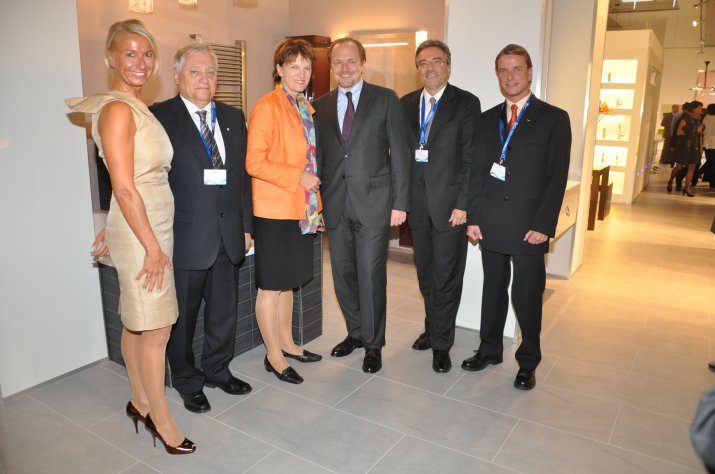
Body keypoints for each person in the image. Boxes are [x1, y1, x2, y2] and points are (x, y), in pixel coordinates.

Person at [67, 19, 195, 454]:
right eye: (130, 53)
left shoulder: (133, 105)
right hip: (146, 233)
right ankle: (161, 419)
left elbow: (124, 178)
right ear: (111, 57)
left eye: (147, 54)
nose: (141, 62)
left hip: (141, 223)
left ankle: (140, 400)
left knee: (137, 323)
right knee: (157, 329)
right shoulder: (119, 109)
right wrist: (151, 247)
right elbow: (123, 186)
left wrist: (114, 226)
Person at [150, 43, 253, 414]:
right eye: (195, 72)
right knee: (182, 319)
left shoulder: (233, 115)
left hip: (229, 234)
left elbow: (242, 177)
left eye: (210, 72)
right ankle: (187, 381)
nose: (204, 79)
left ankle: (217, 370)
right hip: (186, 237)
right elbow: (146, 179)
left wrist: (246, 224)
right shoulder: (159, 116)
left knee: (224, 312)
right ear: (177, 76)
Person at [463, 44, 571, 391]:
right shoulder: (486, 119)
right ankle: (489, 349)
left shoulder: (554, 118)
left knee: (526, 297)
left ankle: (528, 362)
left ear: (530, 73)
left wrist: (543, 225)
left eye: (517, 69)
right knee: (492, 291)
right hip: (491, 221)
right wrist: (474, 217)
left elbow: (556, 176)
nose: (510, 77)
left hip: (529, 226)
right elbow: (476, 173)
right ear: (497, 75)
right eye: (503, 70)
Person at [313, 37, 411, 374]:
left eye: (351, 61)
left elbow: (401, 153)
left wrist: (400, 203)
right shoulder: (321, 105)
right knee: (343, 275)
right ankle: (355, 333)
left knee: (370, 276)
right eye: (338, 62)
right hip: (336, 204)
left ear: (362, 63)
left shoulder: (385, 99)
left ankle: (373, 343)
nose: (345, 68)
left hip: (374, 204)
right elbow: (320, 158)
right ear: (331, 66)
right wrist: (317, 206)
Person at [399, 39, 481, 373]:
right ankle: (432, 328)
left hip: (450, 209)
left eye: (436, 61)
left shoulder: (466, 103)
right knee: (426, 276)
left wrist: (464, 204)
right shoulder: (405, 104)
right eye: (423, 62)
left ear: (448, 65)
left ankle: (442, 344)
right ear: (417, 69)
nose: (429, 68)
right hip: (417, 207)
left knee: (446, 278)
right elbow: (400, 157)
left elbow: (471, 159)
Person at [246, 38, 323, 385]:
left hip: (300, 208)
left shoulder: (304, 107)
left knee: (288, 283)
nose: (301, 74)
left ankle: (288, 344)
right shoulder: (267, 106)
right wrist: (298, 177)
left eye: (306, 68)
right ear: (279, 69)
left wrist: (313, 198)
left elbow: (310, 157)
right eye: (294, 67)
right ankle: (273, 356)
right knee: (271, 286)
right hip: (274, 210)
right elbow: (254, 162)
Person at [667, 100, 702, 197]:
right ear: (694, 109)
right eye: (699, 107)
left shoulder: (699, 119)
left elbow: (699, 135)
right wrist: (693, 131)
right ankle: (671, 181)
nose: (701, 109)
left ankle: (687, 188)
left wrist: (700, 146)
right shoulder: (685, 118)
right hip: (684, 145)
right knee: (679, 166)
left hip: (694, 145)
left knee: (692, 167)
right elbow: (678, 132)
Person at [700, 104, 715, 187]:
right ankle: (712, 182)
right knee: (712, 163)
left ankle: (704, 176)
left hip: (706, 143)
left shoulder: (706, 118)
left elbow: (702, 130)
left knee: (710, 161)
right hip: (713, 143)